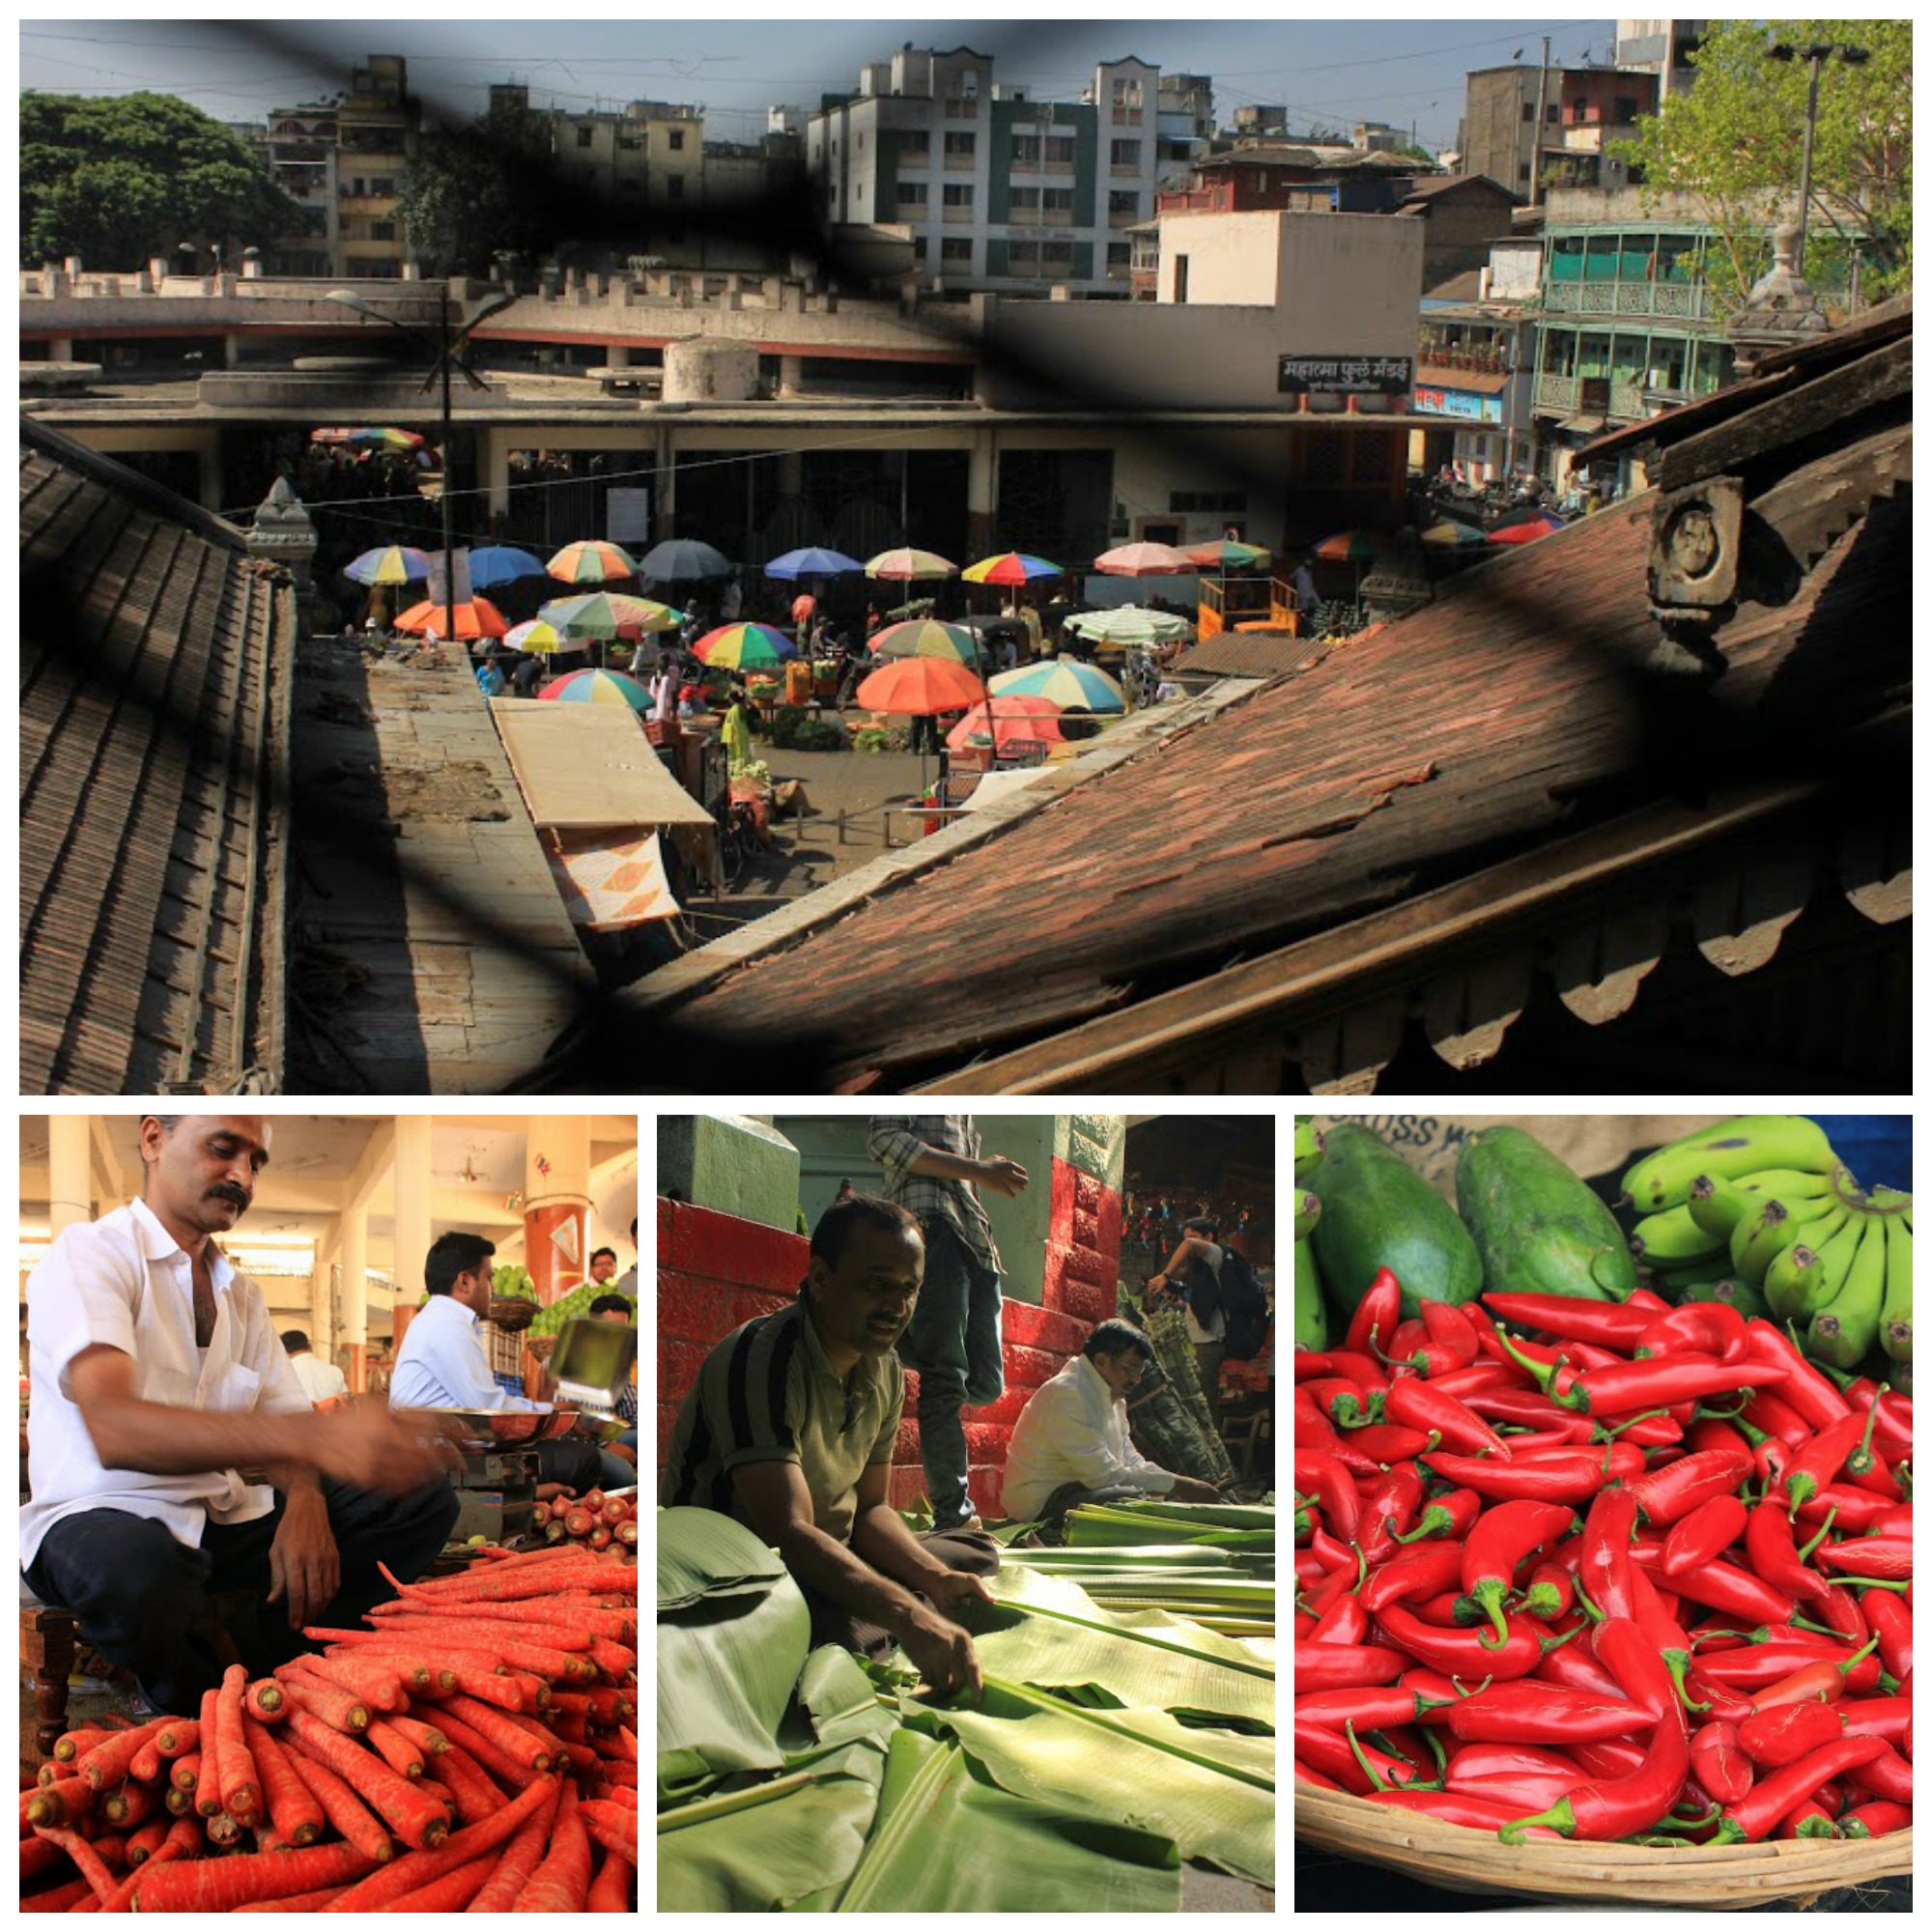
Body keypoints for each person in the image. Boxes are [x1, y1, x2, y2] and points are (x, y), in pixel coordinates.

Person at [21, 1116, 465, 1715]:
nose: (242, 1176)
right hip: (101, 1515)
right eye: (223, 1149)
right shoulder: (91, 1254)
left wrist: (306, 1501)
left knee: (421, 1500)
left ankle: (277, 1662)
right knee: (135, 1574)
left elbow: (285, 1420)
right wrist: (317, 1438)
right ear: (153, 1140)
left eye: (255, 1161)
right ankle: (190, 1699)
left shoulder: (242, 1296)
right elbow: (116, 1430)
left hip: (219, 1516)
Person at [662, 1195, 997, 1696]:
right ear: (820, 1279)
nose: (897, 1308)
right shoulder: (763, 1358)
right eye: (877, 1285)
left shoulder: (884, 1370)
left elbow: (873, 1507)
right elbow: (789, 1533)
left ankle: (883, 1615)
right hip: (741, 1578)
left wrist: (933, 1577)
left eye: (910, 1290)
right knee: (822, 1624)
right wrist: (906, 1610)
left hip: (832, 1557)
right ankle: (872, 1623)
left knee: (971, 1553)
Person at [866, 1117, 1028, 1533]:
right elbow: (884, 1140)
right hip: (932, 1226)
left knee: (987, 1383)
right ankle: (953, 1516)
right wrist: (979, 1170)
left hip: (975, 1244)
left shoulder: (972, 1113)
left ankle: (913, 1347)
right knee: (945, 1379)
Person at [390, 1232, 601, 1493]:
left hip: (444, 1450)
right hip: (442, 1461)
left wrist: (546, 1410)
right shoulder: (448, 1324)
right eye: (489, 1278)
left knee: (573, 1455)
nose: (494, 1289)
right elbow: (489, 1409)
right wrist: (551, 1410)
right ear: (465, 1281)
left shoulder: (438, 1318)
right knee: (585, 1460)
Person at [1002, 1319, 1223, 1533]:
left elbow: (1130, 1459)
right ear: (1101, 1361)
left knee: (1153, 1498)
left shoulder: (1113, 1397)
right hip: (1043, 1505)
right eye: (1130, 1368)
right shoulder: (1068, 1394)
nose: (1136, 1379)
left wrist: (1173, 1484)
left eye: (1139, 1371)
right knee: (1132, 1502)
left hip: (1084, 1490)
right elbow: (1102, 1475)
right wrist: (1179, 1485)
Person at [1148, 1216, 1231, 1435]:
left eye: (1194, 1236)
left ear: (1208, 1237)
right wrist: (1182, 1305)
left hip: (1209, 1342)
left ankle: (1211, 1441)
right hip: (1198, 1340)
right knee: (1196, 1397)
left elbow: (1188, 1246)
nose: (1189, 1243)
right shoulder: (1202, 1269)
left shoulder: (1217, 1255)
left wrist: (1165, 1276)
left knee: (1204, 1399)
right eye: (1187, 1237)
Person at [584, 1293, 639, 1487]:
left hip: (603, 1435)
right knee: (623, 1473)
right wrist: (607, 1446)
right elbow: (569, 1425)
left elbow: (634, 1413)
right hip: (577, 1443)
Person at [280, 1329, 348, 1406]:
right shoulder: (335, 1371)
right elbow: (346, 1402)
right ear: (310, 1347)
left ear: (283, 1351)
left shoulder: (281, 1376)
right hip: (332, 1418)